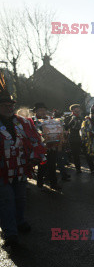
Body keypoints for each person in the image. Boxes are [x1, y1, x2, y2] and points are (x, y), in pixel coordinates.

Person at [0, 71, 46, 248]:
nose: (8, 107)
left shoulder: (24, 122)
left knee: (20, 199)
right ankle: (10, 233)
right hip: (1, 172)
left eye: (10, 104)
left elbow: (36, 141)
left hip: (20, 169)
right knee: (6, 201)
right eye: (3, 104)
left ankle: (19, 221)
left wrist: (37, 157)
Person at [32, 102, 62, 190]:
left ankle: (54, 184)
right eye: (40, 110)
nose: (43, 112)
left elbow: (58, 129)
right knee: (42, 166)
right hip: (40, 147)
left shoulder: (51, 119)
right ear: (36, 111)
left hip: (52, 145)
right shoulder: (33, 121)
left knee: (52, 165)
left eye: (44, 110)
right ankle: (40, 183)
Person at [64, 104, 94, 174]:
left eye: (78, 109)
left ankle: (92, 168)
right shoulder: (68, 118)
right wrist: (72, 121)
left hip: (82, 138)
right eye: (76, 109)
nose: (78, 111)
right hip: (73, 138)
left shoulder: (82, 117)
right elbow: (66, 128)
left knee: (87, 153)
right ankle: (78, 169)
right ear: (72, 110)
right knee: (75, 155)